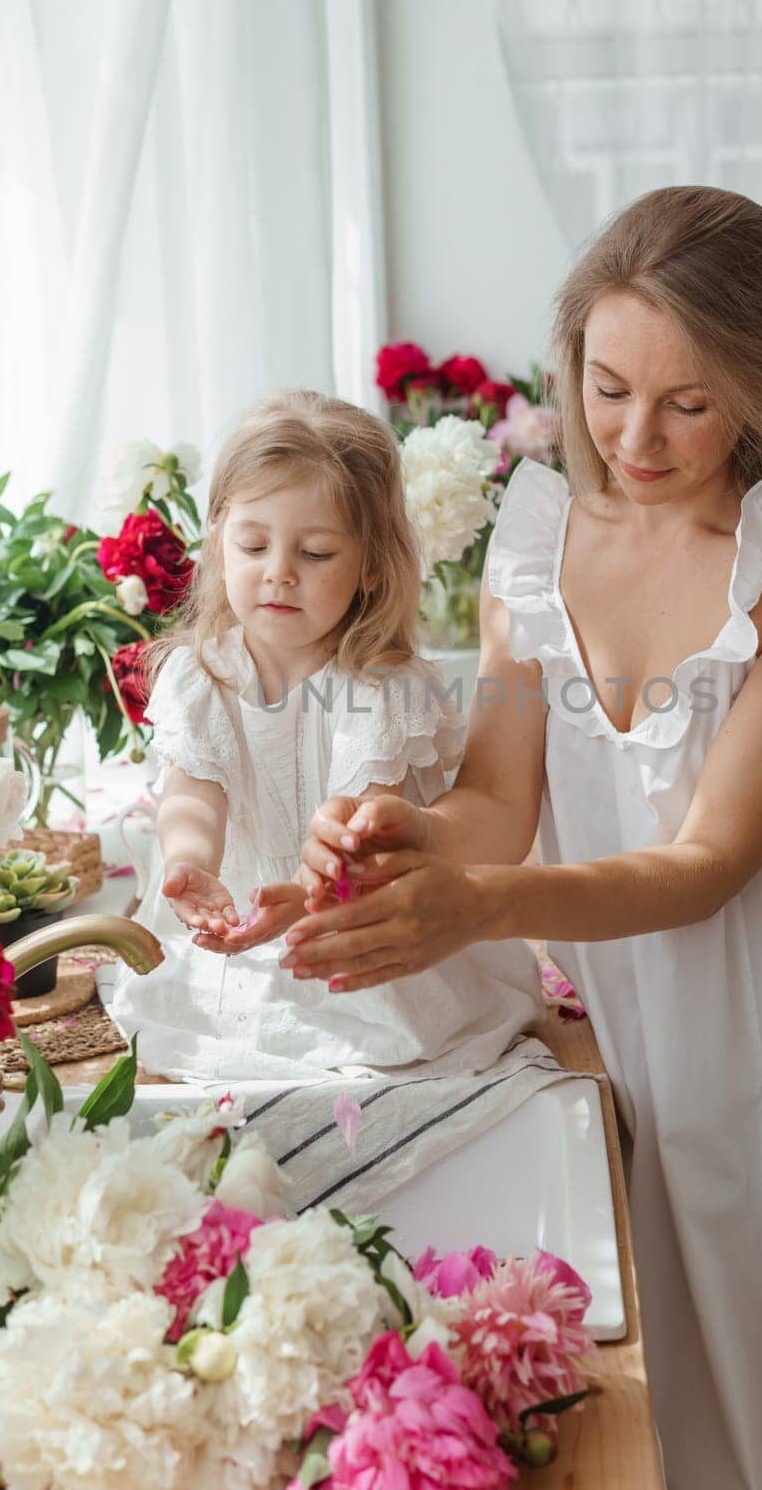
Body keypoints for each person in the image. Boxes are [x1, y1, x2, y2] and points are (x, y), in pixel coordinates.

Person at [291, 189, 762, 1486]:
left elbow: (706, 863)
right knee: (670, 1430)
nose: (634, 435)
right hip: (640, 1077)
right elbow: (496, 794)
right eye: (608, 385)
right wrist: (407, 832)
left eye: (686, 401)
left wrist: (478, 900)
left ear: (761, 382)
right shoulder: (532, 546)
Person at [109, 390, 544, 1080]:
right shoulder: (201, 674)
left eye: (315, 552)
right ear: (220, 539)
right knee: (187, 1032)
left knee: (372, 1041)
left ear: (370, 564)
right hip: (239, 925)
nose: (279, 570)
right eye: (254, 544)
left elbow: (362, 831)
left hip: (353, 922)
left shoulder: (381, 686)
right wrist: (193, 861)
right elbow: (194, 792)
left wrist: (313, 893)